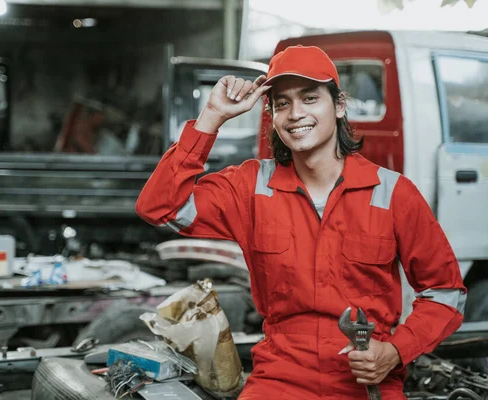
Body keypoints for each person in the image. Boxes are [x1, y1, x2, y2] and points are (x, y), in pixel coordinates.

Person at [135, 45, 466, 399]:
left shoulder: (393, 193)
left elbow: (445, 294)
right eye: (282, 103)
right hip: (279, 380)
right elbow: (160, 207)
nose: (295, 114)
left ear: (338, 106)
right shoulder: (250, 188)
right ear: (273, 117)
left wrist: (396, 351)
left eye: (310, 98)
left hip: (367, 382)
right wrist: (212, 117)